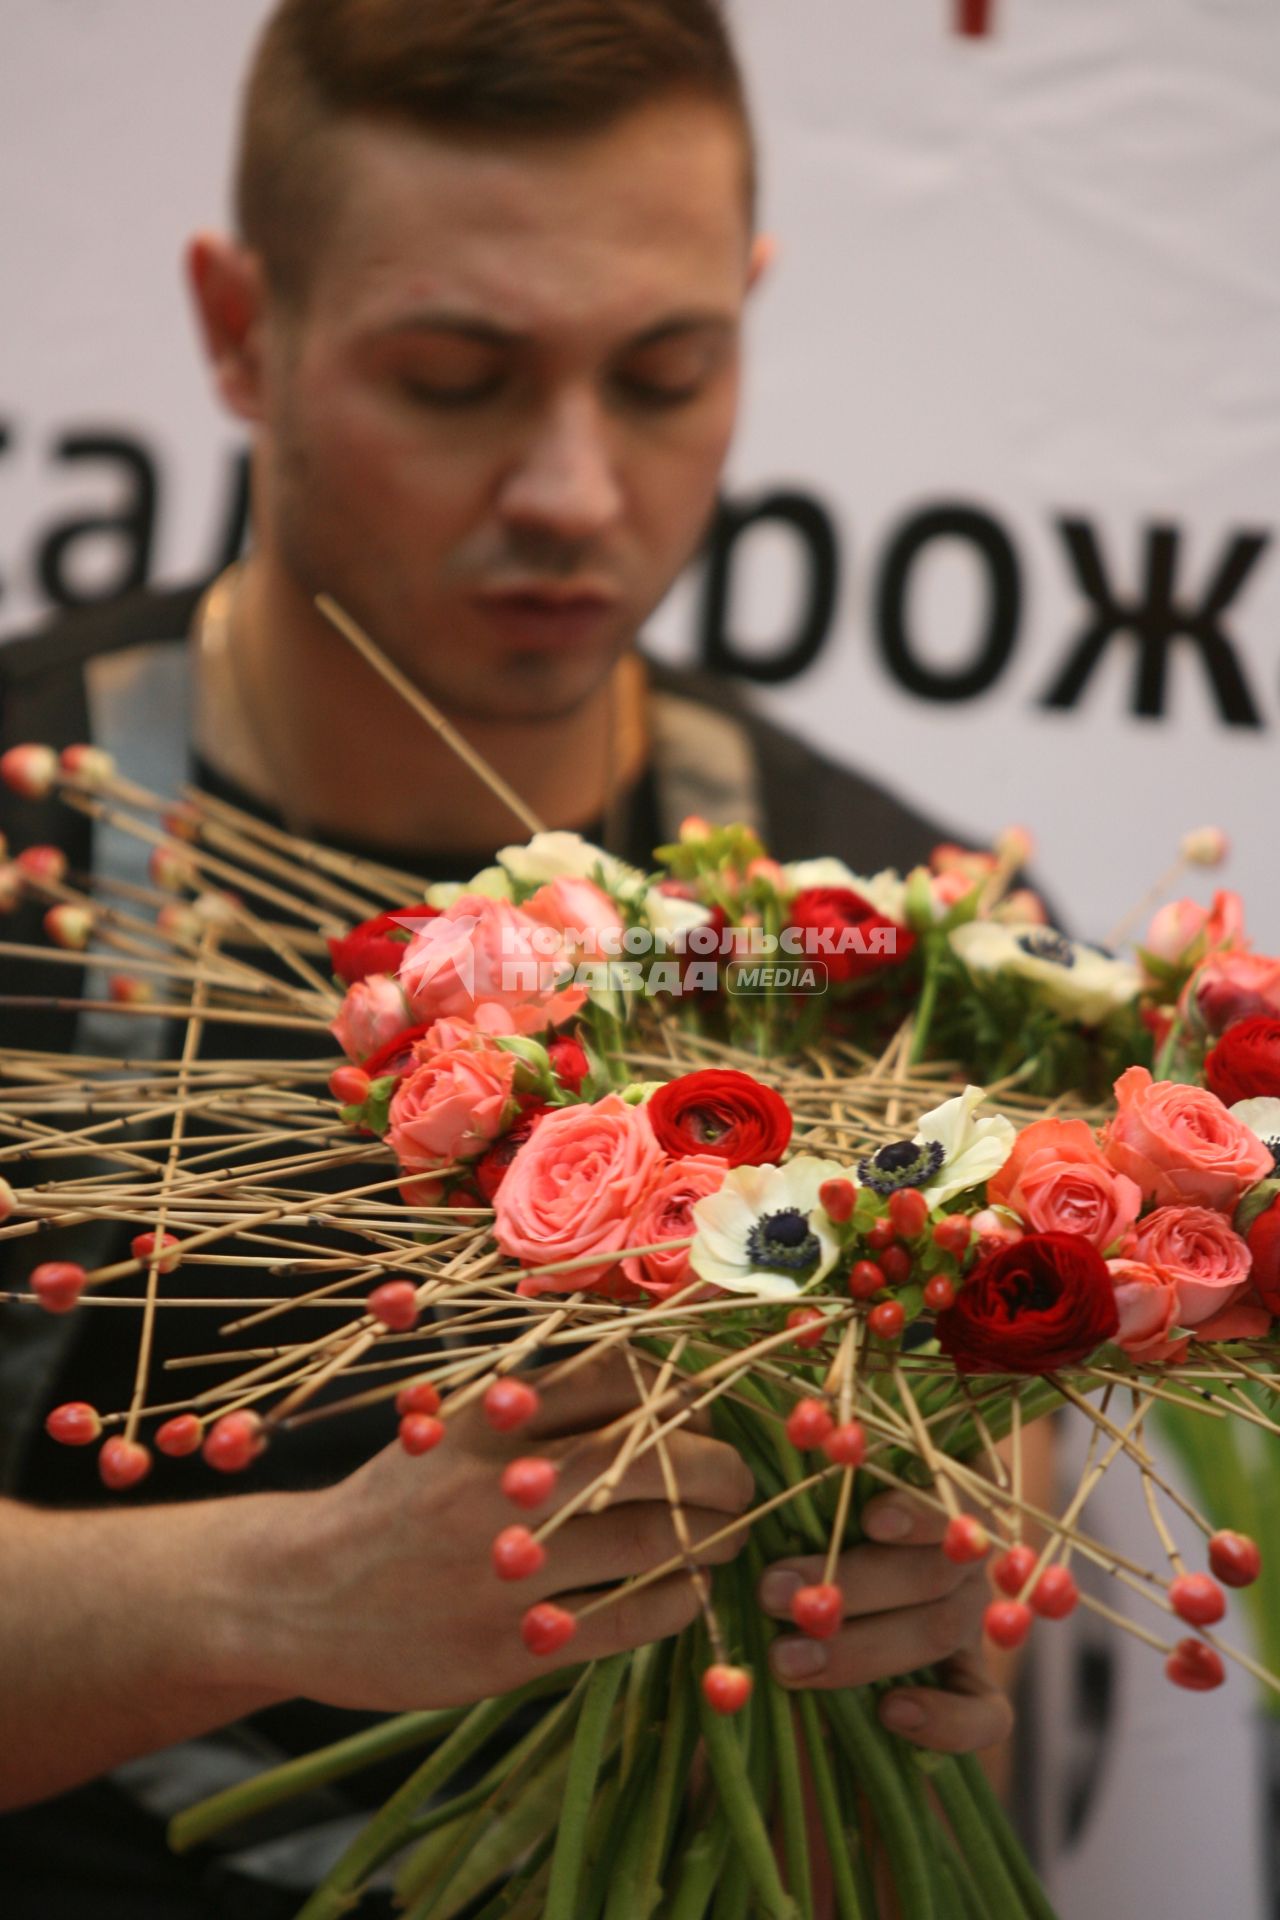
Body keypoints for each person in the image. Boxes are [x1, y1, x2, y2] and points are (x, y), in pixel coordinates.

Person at [0, 4, 1018, 1913]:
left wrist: (940, 1624)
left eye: (663, 374)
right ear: (240, 329)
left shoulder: (880, 922)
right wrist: (282, 1595)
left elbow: (954, 1706)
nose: (569, 488)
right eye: (456, 377)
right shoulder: (39, 831)